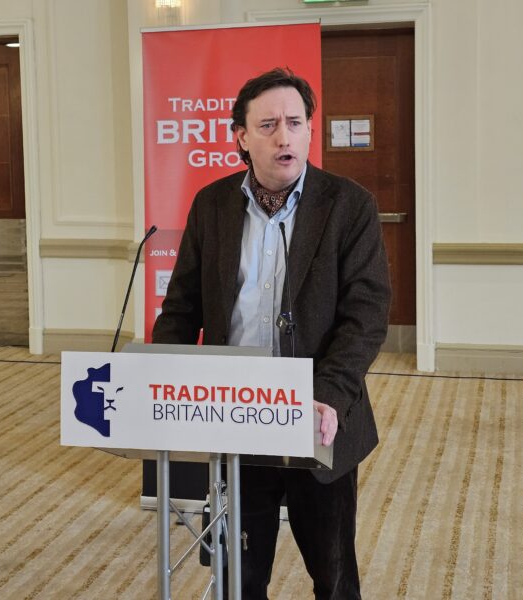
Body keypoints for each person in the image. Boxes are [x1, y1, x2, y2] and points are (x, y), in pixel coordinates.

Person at [153, 67, 391, 600]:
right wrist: (160, 380)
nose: (284, 136)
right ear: (241, 136)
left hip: (317, 416)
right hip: (237, 415)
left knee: (333, 574)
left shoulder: (349, 205)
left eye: (295, 123)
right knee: (240, 574)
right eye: (268, 125)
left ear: (310, 130)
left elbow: (366, 314)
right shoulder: (212, 205)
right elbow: (182, 306)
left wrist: (329, 395)